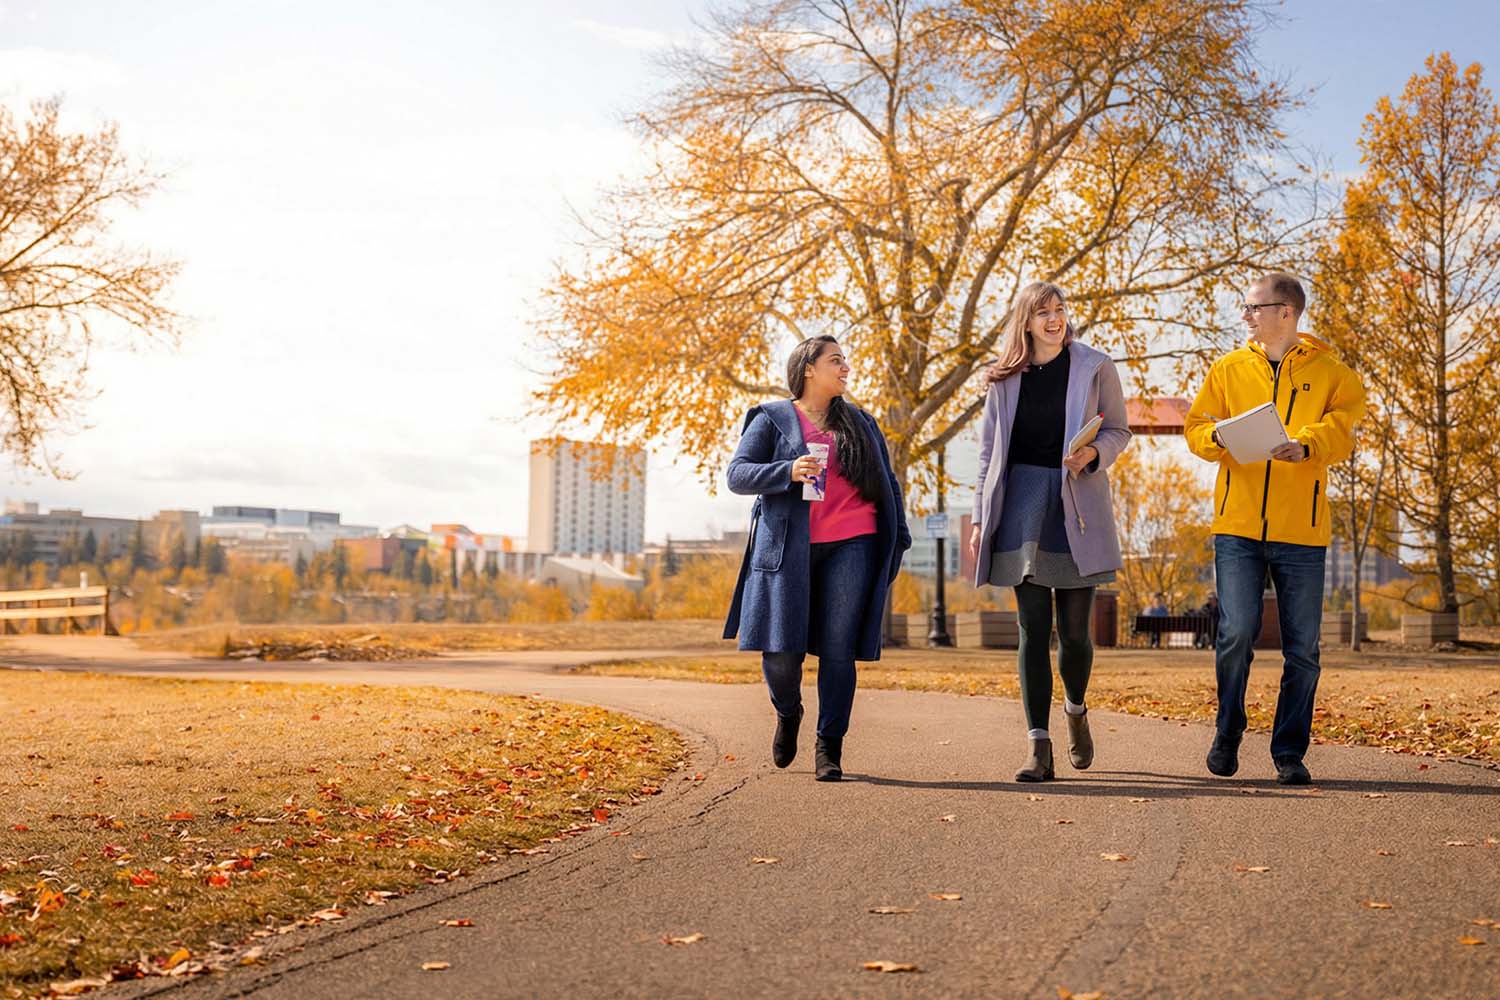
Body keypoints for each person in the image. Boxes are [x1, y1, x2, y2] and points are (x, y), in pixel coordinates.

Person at [1184, 272, 1364, 785]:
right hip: (1237, 525)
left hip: (1302, 531)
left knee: (1303, 648)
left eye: (1253, 307)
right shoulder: (1228, 367)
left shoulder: (1333, 373)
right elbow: (1196, 426)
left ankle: (1289, 750)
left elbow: (1346, 426)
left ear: (1286, 311)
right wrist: (1218, 435)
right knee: (1236, 631)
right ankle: (1228, 729)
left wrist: (1307, 443)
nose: (1246, 315)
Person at [723, 336, 912, 781]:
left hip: (855, 544)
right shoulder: (772, 419)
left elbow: (888, 484)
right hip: (788, 549)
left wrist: (898, 537)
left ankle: (829, 746)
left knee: (838, 649)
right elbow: (737, 474)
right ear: (808, 368)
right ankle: (788, 712)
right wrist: (785, 471)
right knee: (781, 656)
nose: (845, 367)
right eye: (835, 361)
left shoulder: (862, 423)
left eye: (846, 360)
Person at [967, 282, 1132, 782]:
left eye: (1060, 310)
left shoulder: (1095, 366)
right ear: (1026, 321)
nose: (1055, 319)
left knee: (1076, 634)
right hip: (1020, 506)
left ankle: (1076, 710)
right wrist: (979, 518)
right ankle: (1038, 746)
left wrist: (1093, 454)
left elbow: (1119, 429)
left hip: (1076, 502)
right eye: (1044, 312)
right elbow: (987, 455)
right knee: (1033, 629)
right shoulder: (1002, 379)